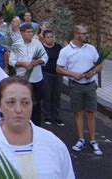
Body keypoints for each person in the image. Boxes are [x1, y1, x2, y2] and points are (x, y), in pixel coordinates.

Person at [0, 77, 75, 178]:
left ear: (32, 104)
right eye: (11, 102)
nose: (18, 109)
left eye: (25, 103)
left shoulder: (53, 144)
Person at [57, 25, 103, 156]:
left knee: (91, 113)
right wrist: (73, 74)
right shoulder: (66, 51)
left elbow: (99, 65)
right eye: (84, 33)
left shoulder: (91, 48)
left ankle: (93, 141)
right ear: (76, 35)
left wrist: (93, 72)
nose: (87, 35)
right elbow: (58, 68)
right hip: (76, 85)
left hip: (90, 85)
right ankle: (81, 139)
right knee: (78, 113)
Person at [9, 24, 48, 126]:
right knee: (22, 103)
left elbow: (45, 57)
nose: (31, 34)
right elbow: (11, 61)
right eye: (28, 32)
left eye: (31, 32)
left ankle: (36, 127)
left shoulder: (37, 43)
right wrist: (23, 64)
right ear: (22, 33)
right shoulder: (16, 44)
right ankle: (22, 124)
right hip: (23, 79)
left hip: (37, 79)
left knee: (36, 104)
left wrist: (38, 62)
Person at [41, 29, 64, 126]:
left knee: (56, 95)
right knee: (47, 95)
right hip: (46, 74)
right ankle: (47, 116)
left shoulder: (58, 47)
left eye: (52, 37)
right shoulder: (41, 48)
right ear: (44, 38)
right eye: (48, 37)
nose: (50, 39)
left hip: (58, 74)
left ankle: (56, 116)